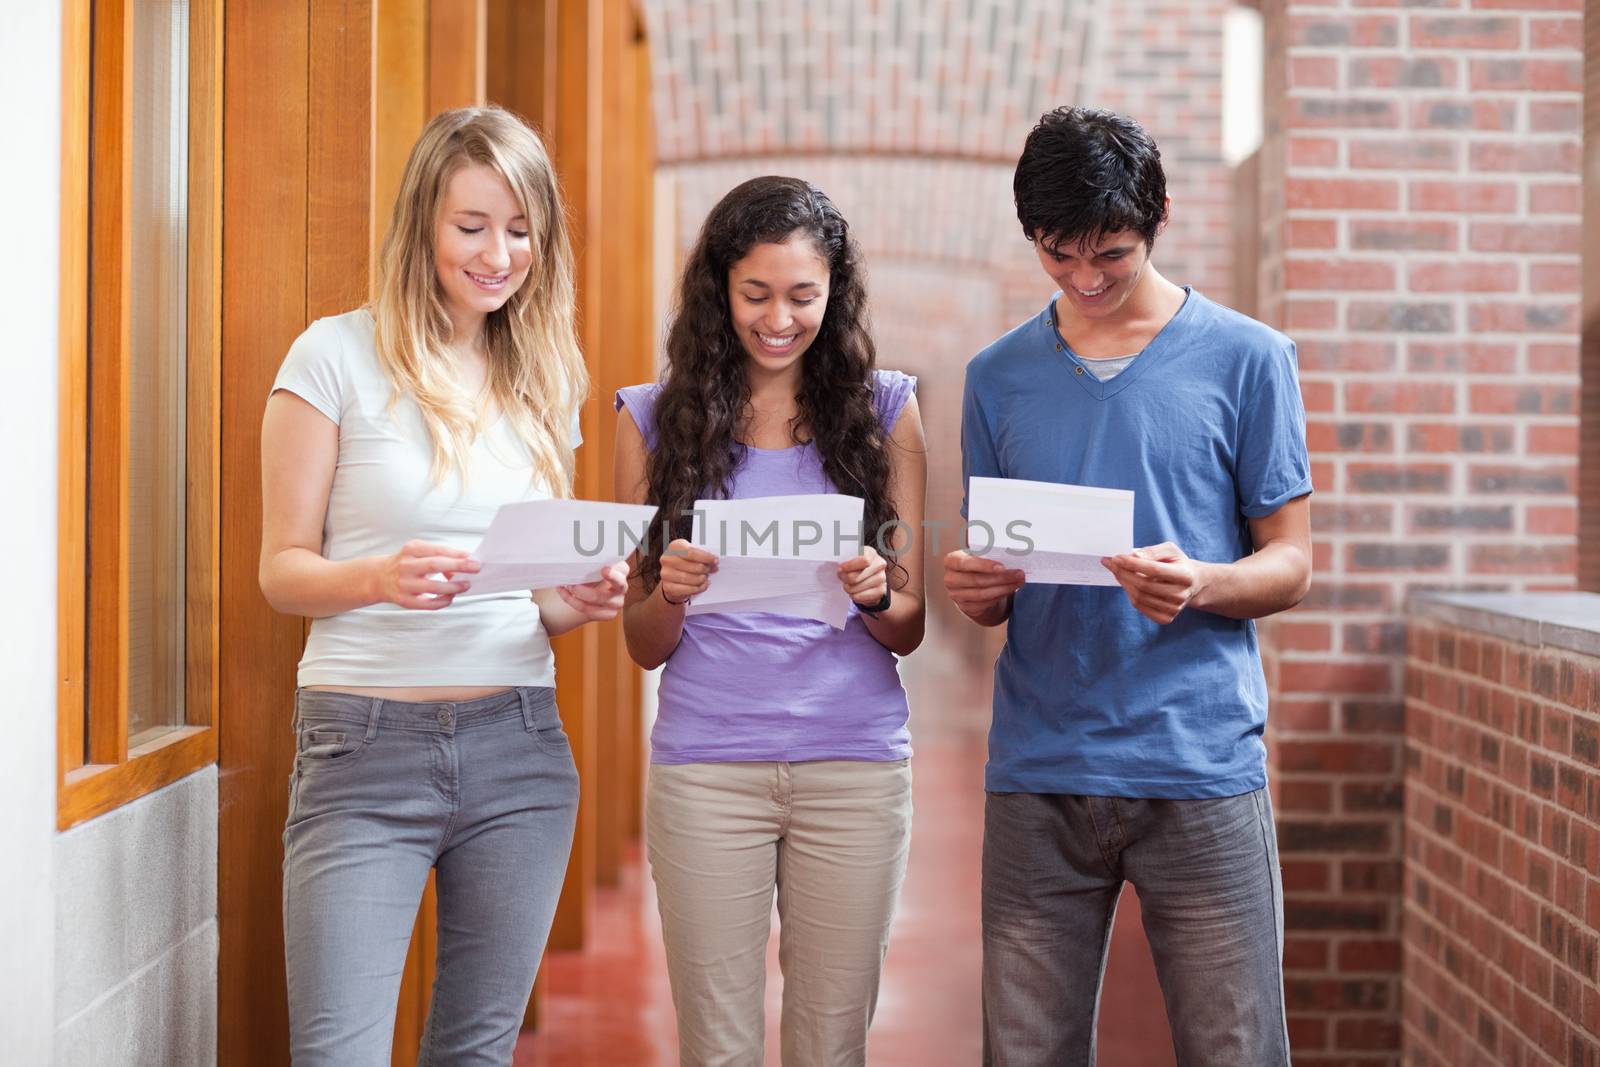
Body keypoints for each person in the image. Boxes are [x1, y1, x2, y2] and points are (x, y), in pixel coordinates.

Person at [945, 106, 1313, 1066]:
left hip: (1198, 764)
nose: (1085, 278)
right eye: (1057, 254)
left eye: (1110, 251)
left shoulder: (1249, 359)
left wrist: (1204, 580)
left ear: (1159, 217)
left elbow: (1292, 562)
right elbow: (1000, 587)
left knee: (1235, 1048)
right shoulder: (998, 378)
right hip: (1039, 767)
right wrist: (981, 590)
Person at [258, 105, 626, 1065]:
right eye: (472, 226)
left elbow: (530, 594)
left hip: (519, 750)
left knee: (475, 1051)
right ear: (423, 221)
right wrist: (377, 575)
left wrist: (575, 601)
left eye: (519, 229)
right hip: (360, 747)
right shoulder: (333, 355)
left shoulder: (547, 378)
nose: (498, 253)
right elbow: (281, 571)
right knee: (335, 1051)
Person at [614, 175, 927, 1066]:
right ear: (719, 289)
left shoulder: (887, 413)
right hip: (707, 769)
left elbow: (909, 627)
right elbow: (640, 646)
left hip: (854, 766)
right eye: (755, 294)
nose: (779, 318)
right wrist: (667, 589)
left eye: (803, 296)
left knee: (832, 1046)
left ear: (836, 292)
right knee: (716, 1047)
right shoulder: (651, 421)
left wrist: (874, 589)